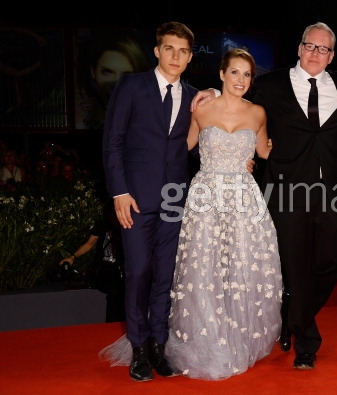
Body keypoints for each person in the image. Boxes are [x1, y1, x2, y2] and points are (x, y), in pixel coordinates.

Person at [191, 22, 337, 370]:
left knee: (331, 261)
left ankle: (293, 315)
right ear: (299, 49)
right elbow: (235, 96)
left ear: (331, 55)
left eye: (323, 49)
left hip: (335, 192)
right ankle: (306, 344)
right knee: (295, 267)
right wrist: (208, 88)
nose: (316, 53)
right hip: (287, 190)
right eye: (310, 46)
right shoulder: (270, 84)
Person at [99, 21, 213, 382]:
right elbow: (112, 142)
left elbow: (209, 137)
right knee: (137, 273)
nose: (175, 56)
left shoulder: (196, 96)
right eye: (169, 48)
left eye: (182, 51)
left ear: (190, 56)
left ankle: (158, 346)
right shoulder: (132, 86)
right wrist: (119, 192)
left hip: (174, 200)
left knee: (165, 276)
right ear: (157, 51)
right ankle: (137, 348)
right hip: (134, 200)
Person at [164, 48, 283, 380]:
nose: (240, 80)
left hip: (245, 200)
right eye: (235, 73)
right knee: (206, 269)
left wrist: (265, 154)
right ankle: (206, 338)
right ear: (221, 74)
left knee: (243, 266)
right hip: (206, 199)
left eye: (246, 75)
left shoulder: (258, 112)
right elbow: (181, 147)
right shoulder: (202, 108)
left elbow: (263, 151)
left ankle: (241, 335)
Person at [58, 199, 125, 323]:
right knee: (115, 291)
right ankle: (112, 326)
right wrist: (72, 257)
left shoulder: (127, 223)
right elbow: (90, 243)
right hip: (104, 270)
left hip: (122, 270)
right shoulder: (103, 224)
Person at [75, 31, 153, 129]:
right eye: (107, 72)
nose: (116, 83)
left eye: (127, 75)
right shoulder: (81, 126)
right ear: (93, 72)